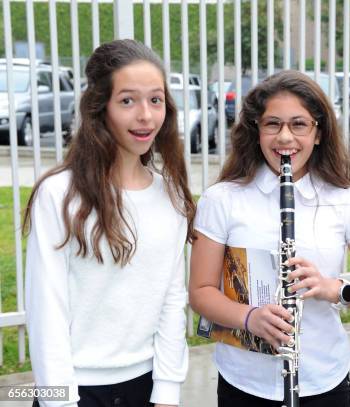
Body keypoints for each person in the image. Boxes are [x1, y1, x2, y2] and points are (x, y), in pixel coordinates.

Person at [189, 70, 350, 406]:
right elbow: (201, 293)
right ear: (257, 131)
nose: (285, 137)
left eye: (299, 125)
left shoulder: (349, 202)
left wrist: (333, 289)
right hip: (243, 382)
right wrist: (251, 318)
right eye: (273, 124)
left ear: (319, 133)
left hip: (323, 380)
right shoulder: (222, 199)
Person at [23, 39, 193, 407]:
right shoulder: (59, 195)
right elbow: (46, 309)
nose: (146, 116)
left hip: (146, 387)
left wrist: (167, 391)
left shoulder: (172, 197)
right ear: (100, 108)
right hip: (74, 389)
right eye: (128, 100)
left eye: (156, 99)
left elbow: (170, 300)